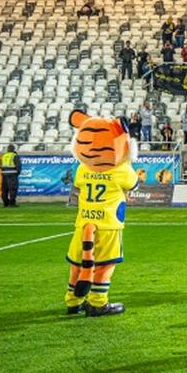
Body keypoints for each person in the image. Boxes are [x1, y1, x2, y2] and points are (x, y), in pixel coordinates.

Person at [63, 111, 138, 317]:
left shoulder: (81, 169)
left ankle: (73, 301)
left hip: (84, 222)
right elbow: (134, 183)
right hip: (108, 225)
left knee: (78, 265)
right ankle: (97, 302)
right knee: (105, 265)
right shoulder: (121, 170)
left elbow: (79, 185)